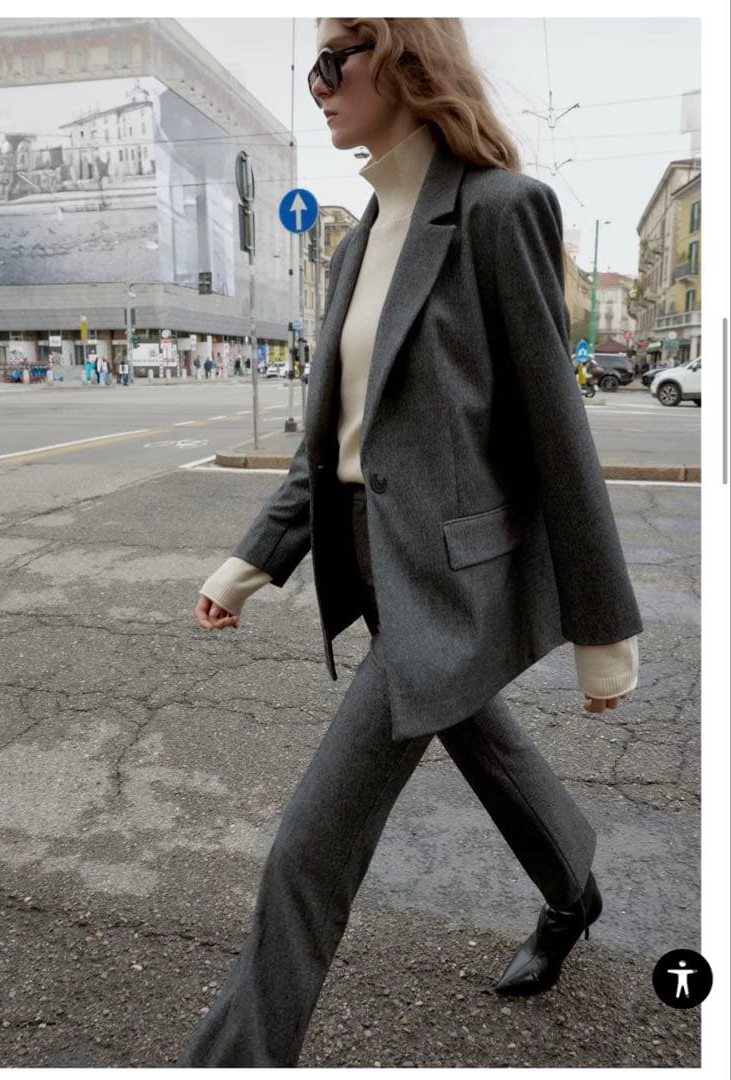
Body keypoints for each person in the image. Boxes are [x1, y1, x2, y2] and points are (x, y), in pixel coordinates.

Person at [179, 17, 641, 1068]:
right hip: (371, 565)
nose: (316, 85)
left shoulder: (500, 211)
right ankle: (572, 891)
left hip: (446, 580)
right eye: (311, 65)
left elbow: (554, 432)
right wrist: (250, 565)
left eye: (332, 61)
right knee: (480, 737)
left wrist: (601, 626)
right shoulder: (356, 244)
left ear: (401, 60)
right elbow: (333, 443)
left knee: (307, 851)